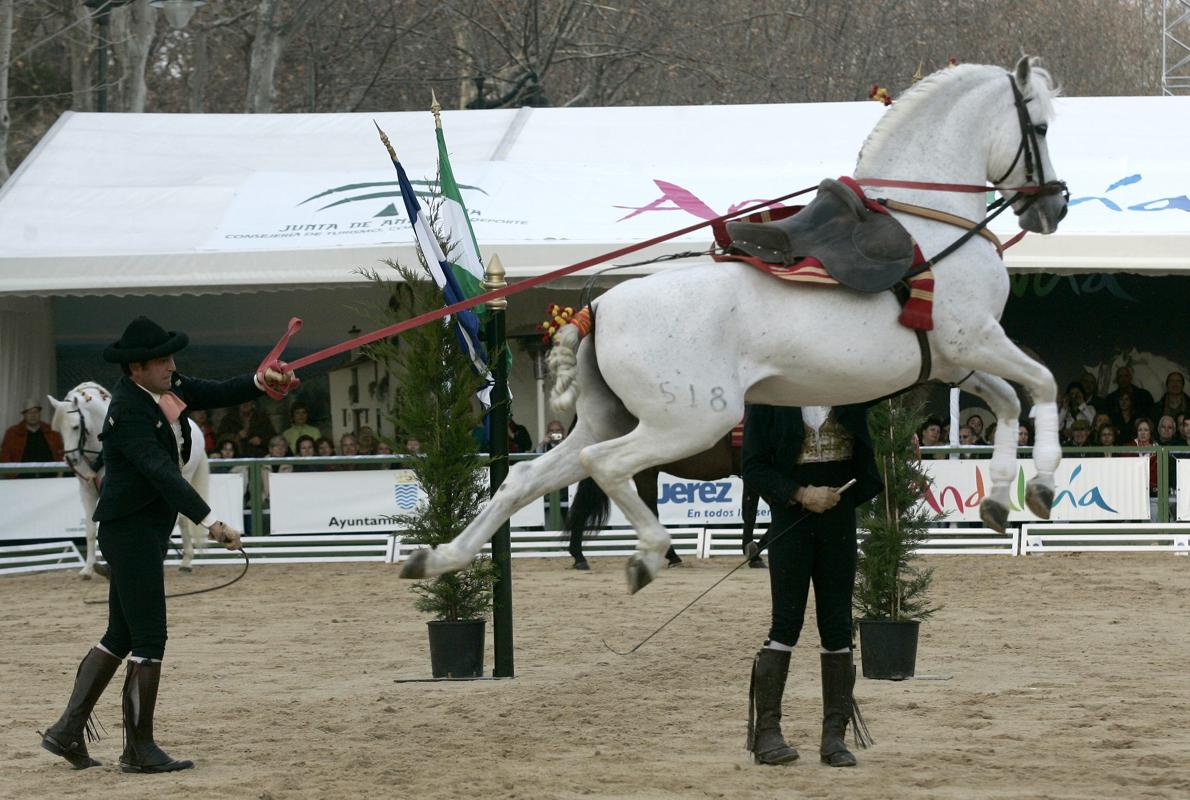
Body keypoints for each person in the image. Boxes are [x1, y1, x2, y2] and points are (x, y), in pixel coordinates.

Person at [39, 316, 294, 774]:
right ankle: (138, 749)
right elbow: (161, 472)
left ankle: (67, 730)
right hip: (130, 530)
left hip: (142, 529)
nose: (171, 366)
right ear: (136, 369)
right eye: (162, 360)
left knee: (120, 634)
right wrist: (211, 521)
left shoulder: (165, 385)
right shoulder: (128, 412)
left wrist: (261, 380)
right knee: (150, 637)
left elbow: (216, 392)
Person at [741, 403, 882, 768]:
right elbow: (753, 466)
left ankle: (834, 735)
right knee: (785, 623)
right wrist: (800, 494)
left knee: (837, 624)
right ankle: (767, 732)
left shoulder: (848, 391)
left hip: (838, 515)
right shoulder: (768, 395)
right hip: (791, 515)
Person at [1, 398, 64, 476]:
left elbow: (62, 454)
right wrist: (12, 476)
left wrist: (60, 473)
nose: (33, 415)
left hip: (49, 478)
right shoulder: (12, 433)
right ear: (24, 415)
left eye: (35, 412)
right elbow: (5, 456)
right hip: (22, 479)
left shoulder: (52, 432)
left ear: (40, 414)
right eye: (29, 412)